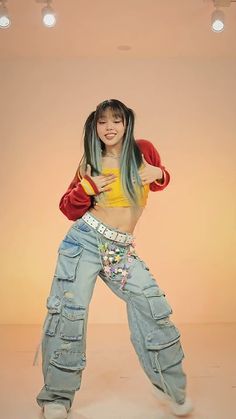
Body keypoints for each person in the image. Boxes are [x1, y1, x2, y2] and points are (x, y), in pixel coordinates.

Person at [35, 99, 193, 418]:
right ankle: (56, 397)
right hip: (85, 242)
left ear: (126, 124)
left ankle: (169, 387)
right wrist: (86, 187)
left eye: (116, 120)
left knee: (152, 306)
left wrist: (160, 173)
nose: (109, 127)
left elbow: (159, 180)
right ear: (95, 127)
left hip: (121, 249)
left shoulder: (142, 150)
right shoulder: (90, 160)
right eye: (102, 122)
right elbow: (67, 207)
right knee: (70, 314)